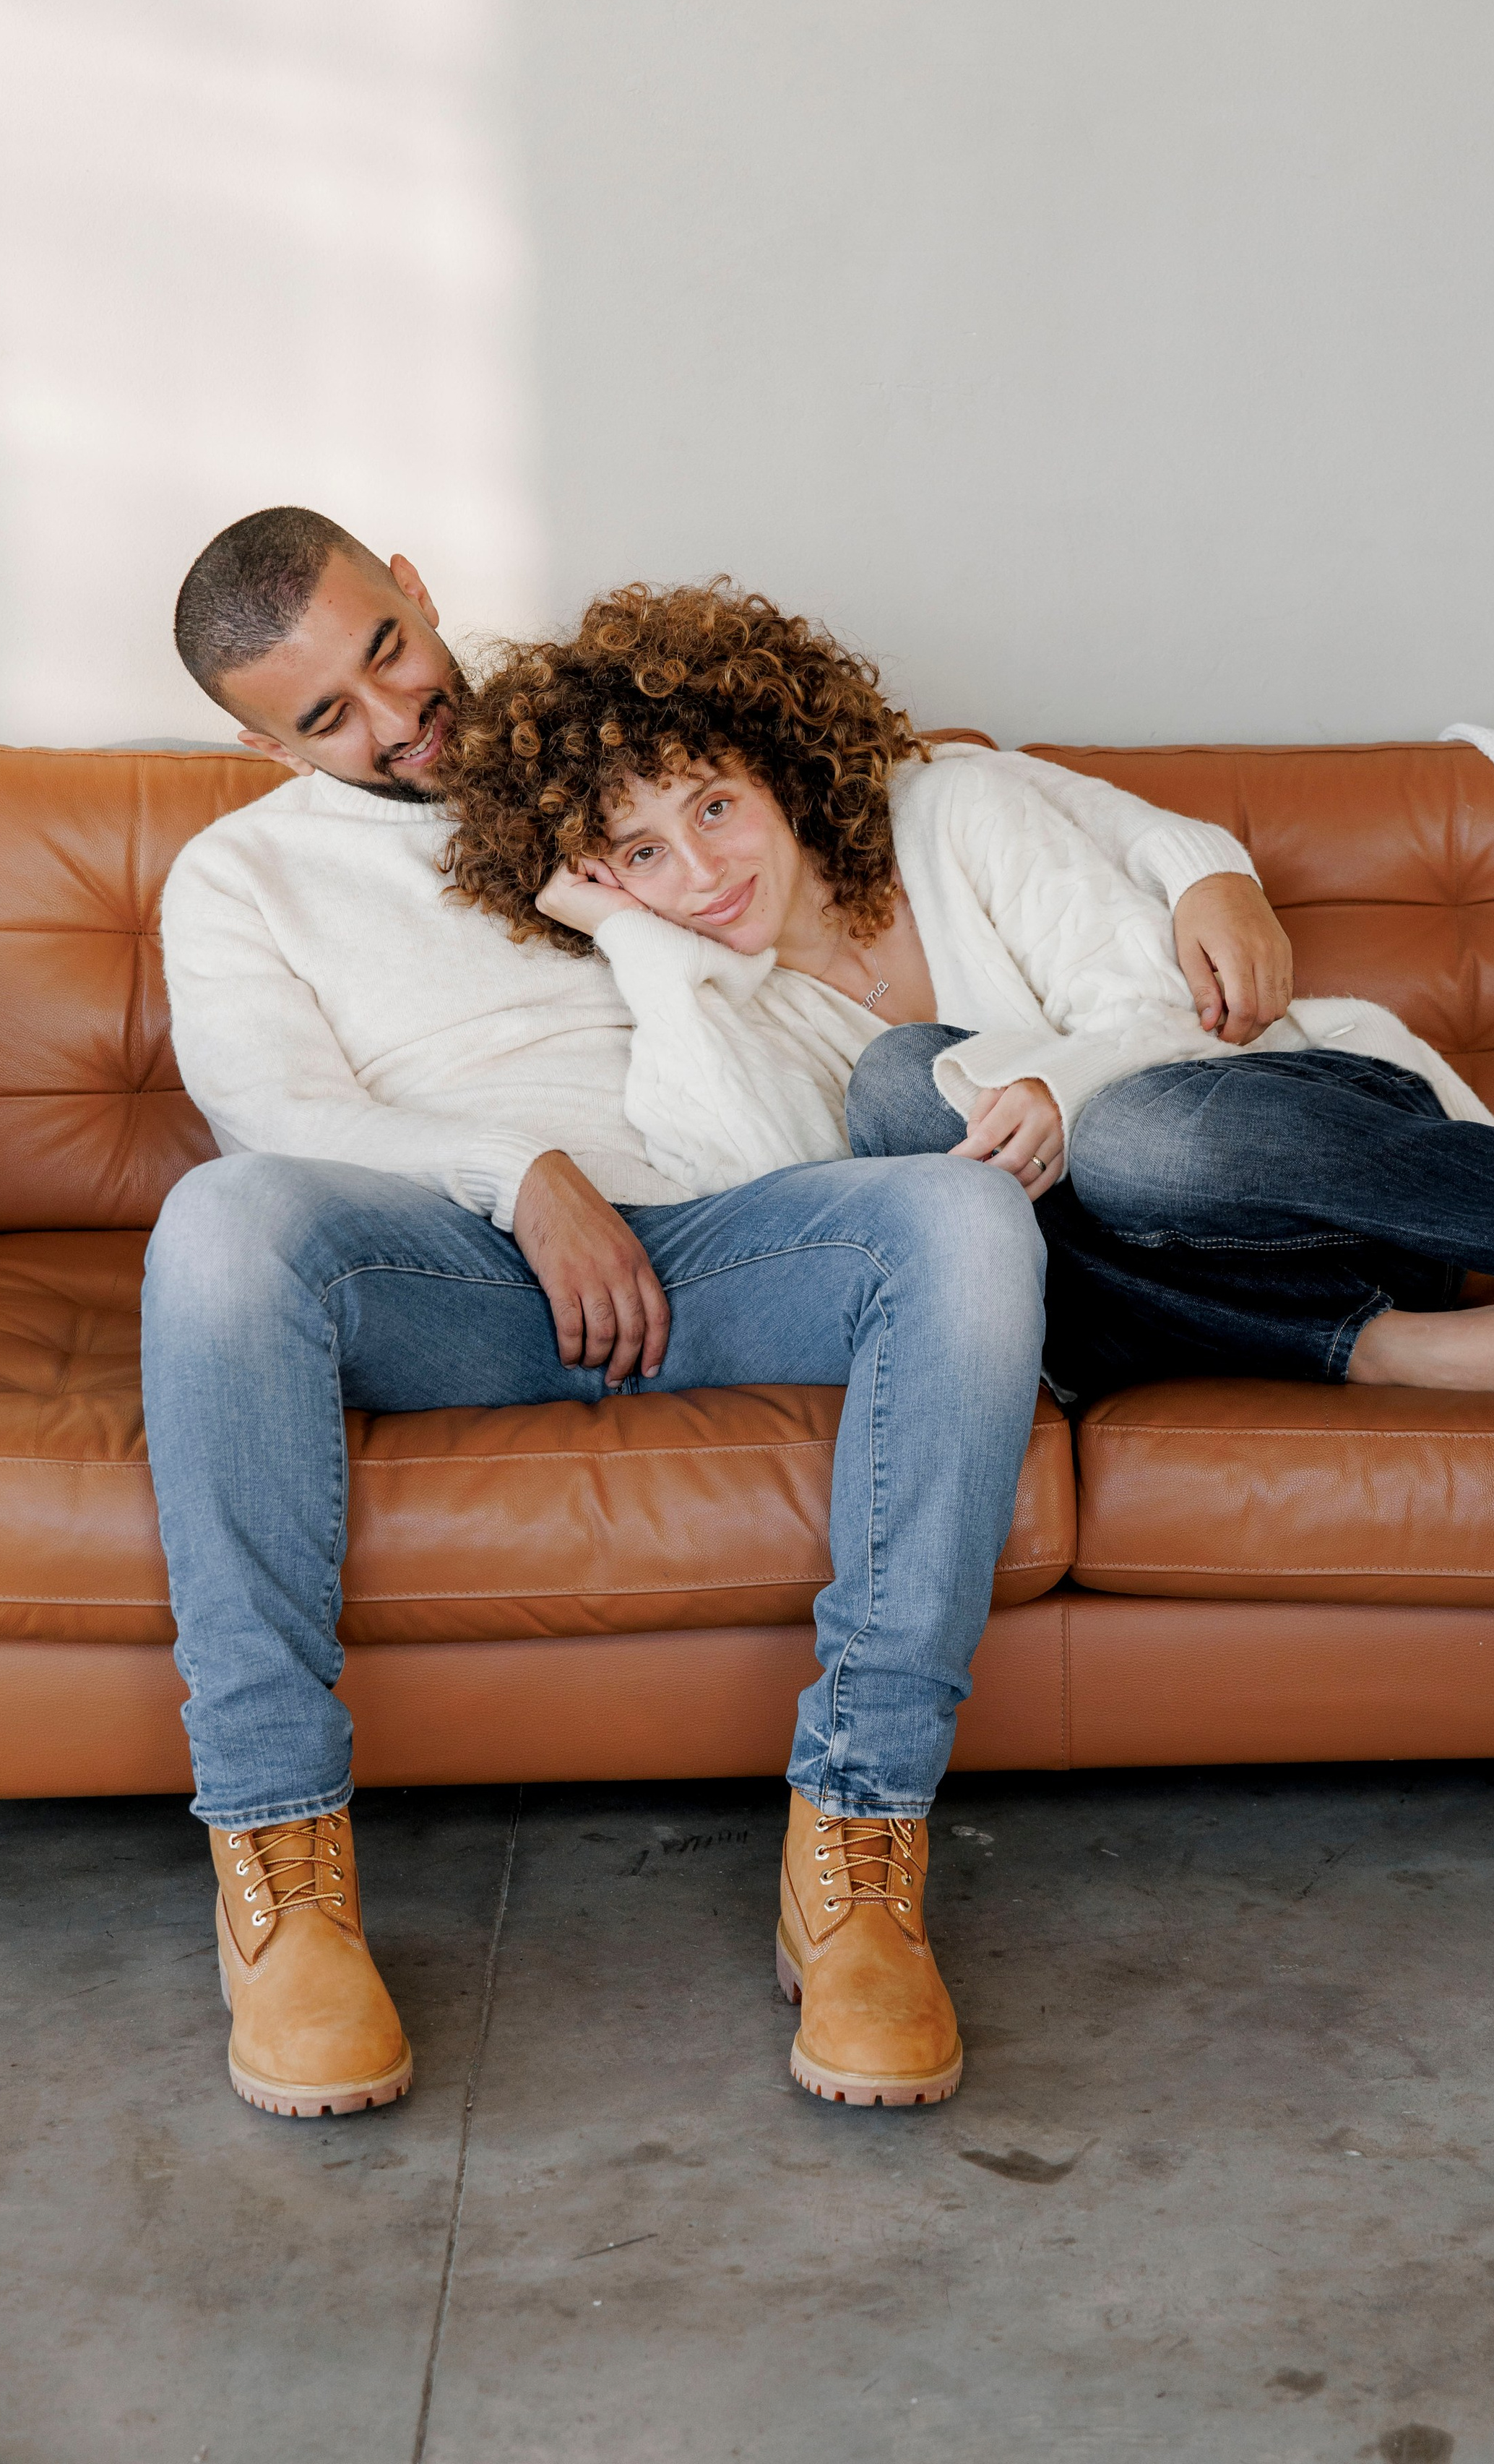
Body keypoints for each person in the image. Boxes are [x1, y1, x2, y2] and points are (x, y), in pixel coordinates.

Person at [147, 507, 1272, 2124]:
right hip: (459, 1275)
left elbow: (921, 777)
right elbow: (269, 1109)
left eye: (388, 650)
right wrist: (519, 1178)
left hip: (728, 1234)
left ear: (413, 583)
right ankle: (281, 1875)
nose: (399, 717)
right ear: (265, 746)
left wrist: (1204, 863)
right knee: (220, 1222)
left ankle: (859, 1853)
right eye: (329, 716)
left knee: (961, 1212)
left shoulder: (595, 734)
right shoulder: (238, 878)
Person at [439, 583, 1494, 1403]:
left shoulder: (956, 816)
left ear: (778, 771)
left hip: (1317, 1171)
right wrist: (644, 954)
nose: (701, 872)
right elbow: (767, 1205)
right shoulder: (723, 996)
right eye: (641, 855)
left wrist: (1057, 1093)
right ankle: (1378, 1355)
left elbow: (1159, 1016)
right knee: (903, 1118)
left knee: (1126, 1134)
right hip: (1161, 1307)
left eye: (713, 807)